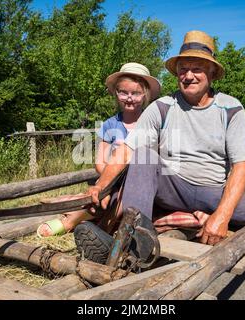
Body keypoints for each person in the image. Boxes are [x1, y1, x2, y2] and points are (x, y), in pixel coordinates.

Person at [80, 30, 245, 300]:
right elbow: (126, 149)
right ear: (176, 73)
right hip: (173, 185)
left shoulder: (231, 109)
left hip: (215, 189)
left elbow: (241, 166)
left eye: (197, 69)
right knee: (146, 154)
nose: (188, 75)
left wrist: (222, 216)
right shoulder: (162, 107)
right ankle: (135, 243)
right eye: (183, 69)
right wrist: (100, 185)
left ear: (212, 73)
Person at [36, 62, 161, 237]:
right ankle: (78, 221)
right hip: (111, 178)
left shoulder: (151, 123)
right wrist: (111, 179)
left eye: (136, 93)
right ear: (116, 94)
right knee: (103, 194)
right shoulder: (110, 125)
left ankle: (93, 225)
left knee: (124, 195)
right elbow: (100, 162)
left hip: (140, 180)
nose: (129, 98)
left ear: (145, 95)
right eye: (123, 92)